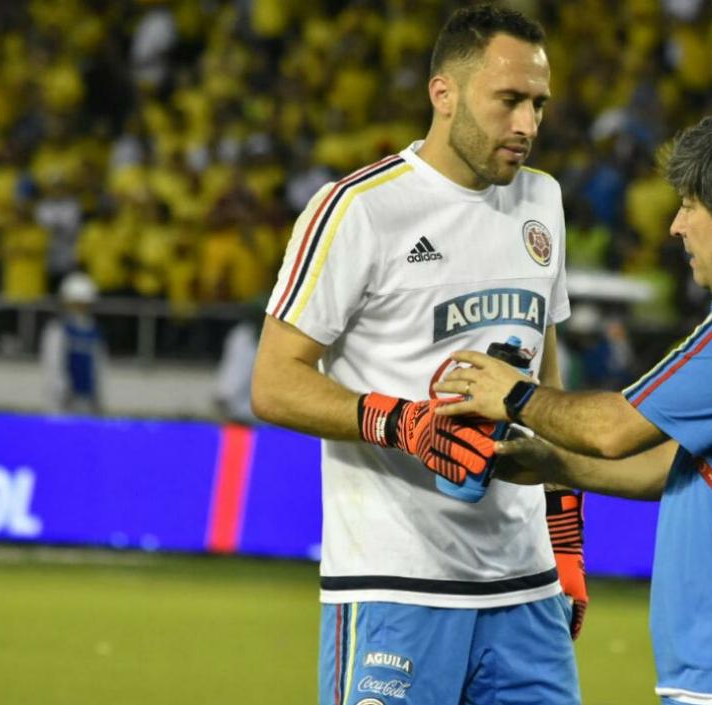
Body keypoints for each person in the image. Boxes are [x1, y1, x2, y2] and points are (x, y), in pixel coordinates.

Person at [436, 108, 712, 705]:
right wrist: (553, 464)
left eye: (691, 206)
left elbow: (616, 428)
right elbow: (669, 466)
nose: (676, 226)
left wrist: (514, 394)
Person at [250, 5, 583, 704]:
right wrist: (404, 424)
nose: (527, 124)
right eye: (509, 100)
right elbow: (274, 382)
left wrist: (566, 540)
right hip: (397, 583)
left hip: (526, 589)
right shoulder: (358, 209)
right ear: (444, 93)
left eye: (539, 105)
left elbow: (544, 383)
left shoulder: (543, 200)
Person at [40, 271, 105, 415]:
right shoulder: (58, 329)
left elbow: (98, 366)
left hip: (86, 398)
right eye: (75, 304)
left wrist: (98, 397)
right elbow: (53, 364)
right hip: (64, 399)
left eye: (83, 305)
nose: (79, 309)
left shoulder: (93, 330)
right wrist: (58, 393)